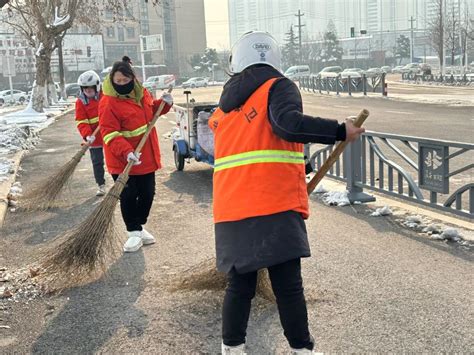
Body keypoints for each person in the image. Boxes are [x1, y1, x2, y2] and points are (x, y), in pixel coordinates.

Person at [209, 31, 365, 354]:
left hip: (231, 209)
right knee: (288, 287)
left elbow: (260, 144)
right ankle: (302, 350)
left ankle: (232, 350)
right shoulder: (278, 87)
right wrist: (339, 131)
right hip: (272, 206)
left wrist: (300, 166)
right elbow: (287, 125)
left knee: (240, 286)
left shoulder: (226, 107)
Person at [99, 59, 173, 253]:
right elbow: (109, 132)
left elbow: (152, 112)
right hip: (122, 159)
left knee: (148, 193)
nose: (122, 84)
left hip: (145, 156)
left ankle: (139, 226)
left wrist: (164, 104)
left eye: (125, 80)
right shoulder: (108, 102)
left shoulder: (142, 93)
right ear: (112, 81)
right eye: (118, 81)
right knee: (129, 196)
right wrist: (126, 151)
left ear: (132, 78)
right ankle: (133, 232)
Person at [75, 70, 105, 196]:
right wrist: (87, 134)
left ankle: (121, 182)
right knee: (97, 162)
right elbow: (81, 121)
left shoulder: (105, 96)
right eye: (85, 88)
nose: (87, 90)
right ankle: (101, 185)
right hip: (94, 138)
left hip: (110, 135)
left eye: (90, 88)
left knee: (116, 159)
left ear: (97, 86)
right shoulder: (80, 102)